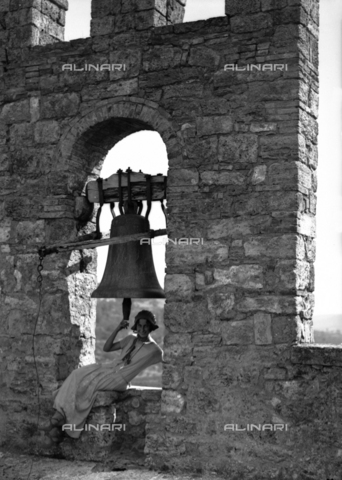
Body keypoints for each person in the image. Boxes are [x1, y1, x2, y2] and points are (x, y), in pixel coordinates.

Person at [40, 310, 163, 444]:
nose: (142, 329)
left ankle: (62, 415)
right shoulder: (130, 339)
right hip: (109, 368)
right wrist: (118, 328)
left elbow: (169, 361)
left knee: (90, 384)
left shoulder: (154, 351)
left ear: (151, 327)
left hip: (120, 378)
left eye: (146, 326)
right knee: (77, 374)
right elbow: (107, 348)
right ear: (136, 325)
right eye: (139, 325)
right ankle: (62, 411)